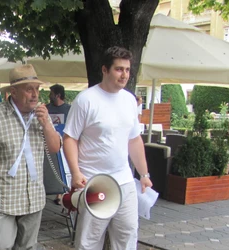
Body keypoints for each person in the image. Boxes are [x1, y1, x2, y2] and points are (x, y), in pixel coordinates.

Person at [63, 46, 153, 249]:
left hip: (124, 180)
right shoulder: (86, 100)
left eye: (127, 70)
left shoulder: (129, 100)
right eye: (119, 69)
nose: (125, 75)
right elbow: (70, 138)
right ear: (105, 70)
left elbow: (134, 140)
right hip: (95, 181)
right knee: (90, 240)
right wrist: (75, 173)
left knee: (128, 235)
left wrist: (144, 174)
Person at [0, 64, 61, 249]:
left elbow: (55, 148)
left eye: (37, 89)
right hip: (4, 195)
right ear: (14, 92)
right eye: (29, 89)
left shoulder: (41, 114)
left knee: (27, 246)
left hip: (33, 196)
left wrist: (47, 125)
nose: (35, 94)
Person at [46, 84, 71, 205]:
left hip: (64, 143)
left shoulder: (69, 109)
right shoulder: (46, 109)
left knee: (62, 167)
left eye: (51, 93)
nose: (49, 96)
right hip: (49, 144)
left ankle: (61, 194)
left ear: (58, 95)